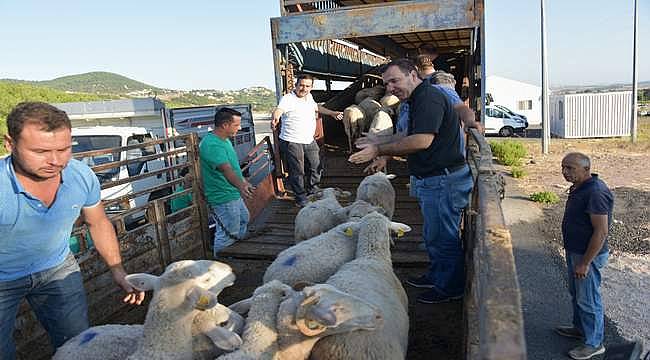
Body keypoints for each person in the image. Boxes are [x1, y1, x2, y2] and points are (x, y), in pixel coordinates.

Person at [0, 102, 145, 359]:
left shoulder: (80, 175)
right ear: (9, 144)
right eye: (41, 151)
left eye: (64, 149)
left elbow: (98, 222)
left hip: (57, 266)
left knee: (78, 344)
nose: (55, 161)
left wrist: (118, 270)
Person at [349, 59, 473, 304]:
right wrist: (376, 142)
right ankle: (437, 276)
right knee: (433, 234)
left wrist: (378, 151)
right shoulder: (416, 100)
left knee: (443, 237)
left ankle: (449, 287)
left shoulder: (429, 98)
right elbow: (407, 135)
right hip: (435, 179)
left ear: (413, 75)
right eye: (387, 84)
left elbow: (421, 141)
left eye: (395, 80)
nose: (391, 88)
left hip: (443, 180)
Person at [556, 152, 613, 360]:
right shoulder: (580, 187)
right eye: (563, 167)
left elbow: (601, 232)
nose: (565, 172)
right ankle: (579, 328)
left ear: (586, 169)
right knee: (577, 293)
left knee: (588, 299)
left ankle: (594, 343)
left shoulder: (596, 192)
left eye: (570, 168)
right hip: (576, 251)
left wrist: (585, 262)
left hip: (586, 255)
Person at [271, 74, 343, 206]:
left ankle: (313, 188)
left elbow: (317, 108)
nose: (304, 88)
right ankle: (300, 197)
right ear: (296, 85)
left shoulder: (309, 97)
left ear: (311, 87)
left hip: (308, 140)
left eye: (307, 86)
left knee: (316, 165)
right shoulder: (288, 98)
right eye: (301, 85)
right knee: (297, 170)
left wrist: (332, 113)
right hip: (292, 140)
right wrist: (275, 117)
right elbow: (279, 110)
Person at [199, 107, 254, 256]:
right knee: (227, 231)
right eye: (236, 125)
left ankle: (237, 249)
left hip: (231, 192)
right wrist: (242, 185)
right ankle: (222, 261)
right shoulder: (212, 144)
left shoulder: (224, 140)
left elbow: (233, 167)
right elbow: (226, 169)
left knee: (244, 219)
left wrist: (243, 181)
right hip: (222, 195)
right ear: (224, 125)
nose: (240, 128)